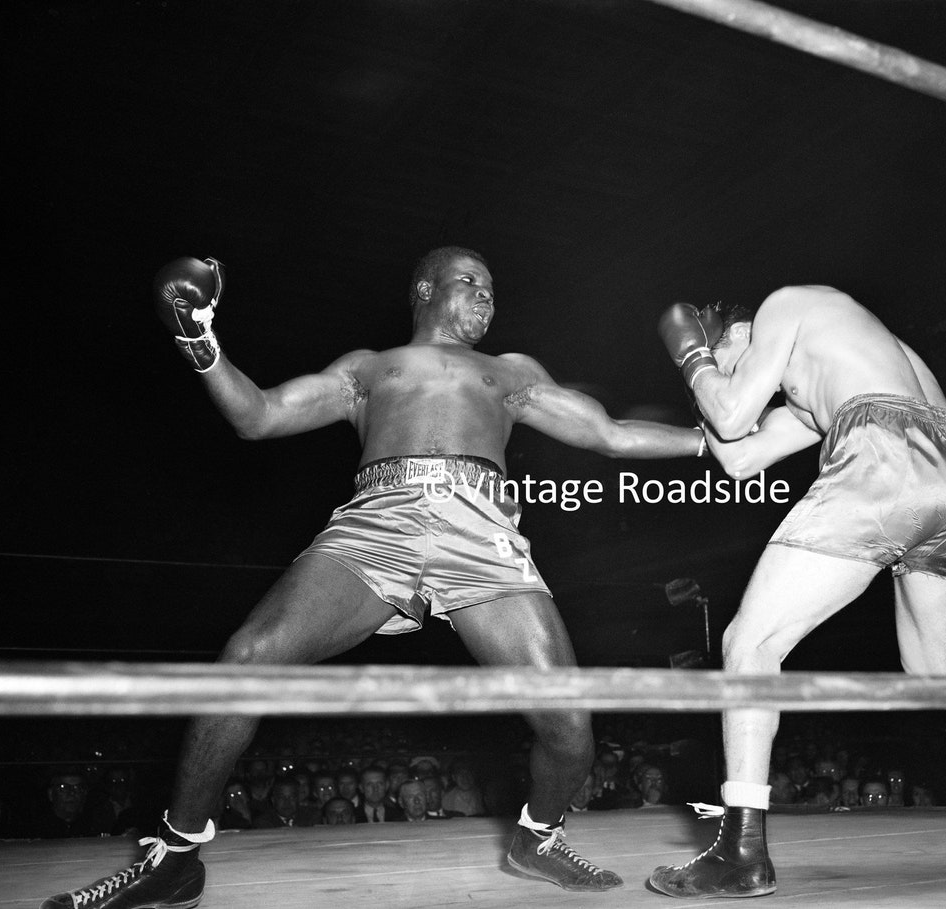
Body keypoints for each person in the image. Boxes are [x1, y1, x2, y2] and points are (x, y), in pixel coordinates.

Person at [45, 247, 703, 908]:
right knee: (246, 659)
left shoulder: (510, 372)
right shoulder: (368, 368)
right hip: (376, 525)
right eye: (471, 282)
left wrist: (711, 442)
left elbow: (611, 434)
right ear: (425, 289)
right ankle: (176, 856)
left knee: (569, 722)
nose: (487, 299)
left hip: (480, 528)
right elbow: (259, 415)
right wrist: (200, 339)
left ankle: (537, 836)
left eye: (493, 290)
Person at [650, 286, 946, 898]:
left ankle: (741, 853)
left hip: (885, 454)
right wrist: (699, 403)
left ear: (736, 335)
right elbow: (742, 458)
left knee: (751, 641)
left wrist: (690, 355)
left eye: (724, 357)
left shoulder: (785, 305)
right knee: (938, 668)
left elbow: (733, 412)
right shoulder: (846, 362)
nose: (727, 374)